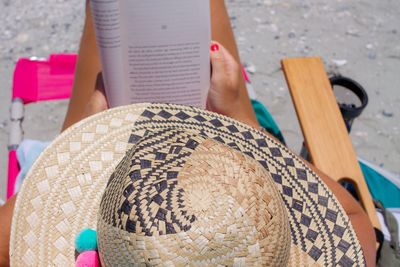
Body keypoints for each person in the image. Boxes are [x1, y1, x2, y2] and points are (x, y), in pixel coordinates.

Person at [0, 0, 376, 266]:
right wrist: (242, 119)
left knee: (109, 17)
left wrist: (83, 133)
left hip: (142, 170)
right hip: (228, 162)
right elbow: (357, 223)